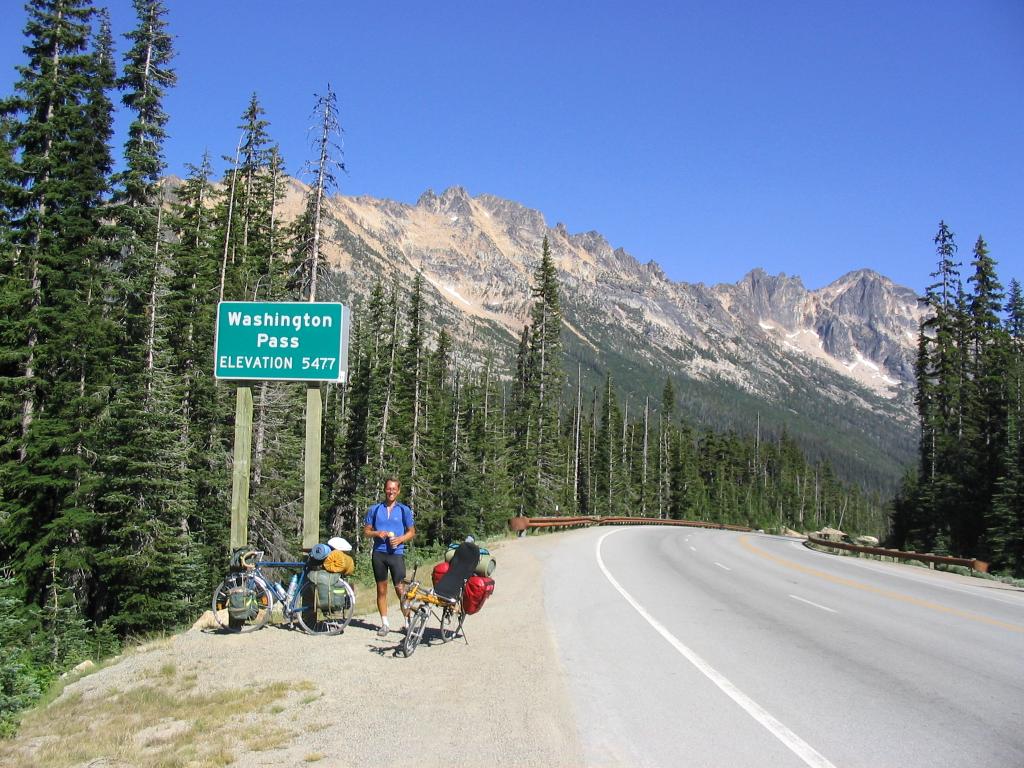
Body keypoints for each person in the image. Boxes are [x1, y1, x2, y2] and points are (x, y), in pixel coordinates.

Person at [363, 477, 416, 637]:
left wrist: (400, 539)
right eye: (388, 488)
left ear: (398, 491)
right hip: (379, 554)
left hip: (396, 554)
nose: (391, 491)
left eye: (394, 489)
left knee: (401, 590)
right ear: (384, 490)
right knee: (381, 589)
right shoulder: (374, 509)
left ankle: (407, 622)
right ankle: (384, 624)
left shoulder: (404, 510)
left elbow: (412, 532)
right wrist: (377, 533)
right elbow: (366, 532)